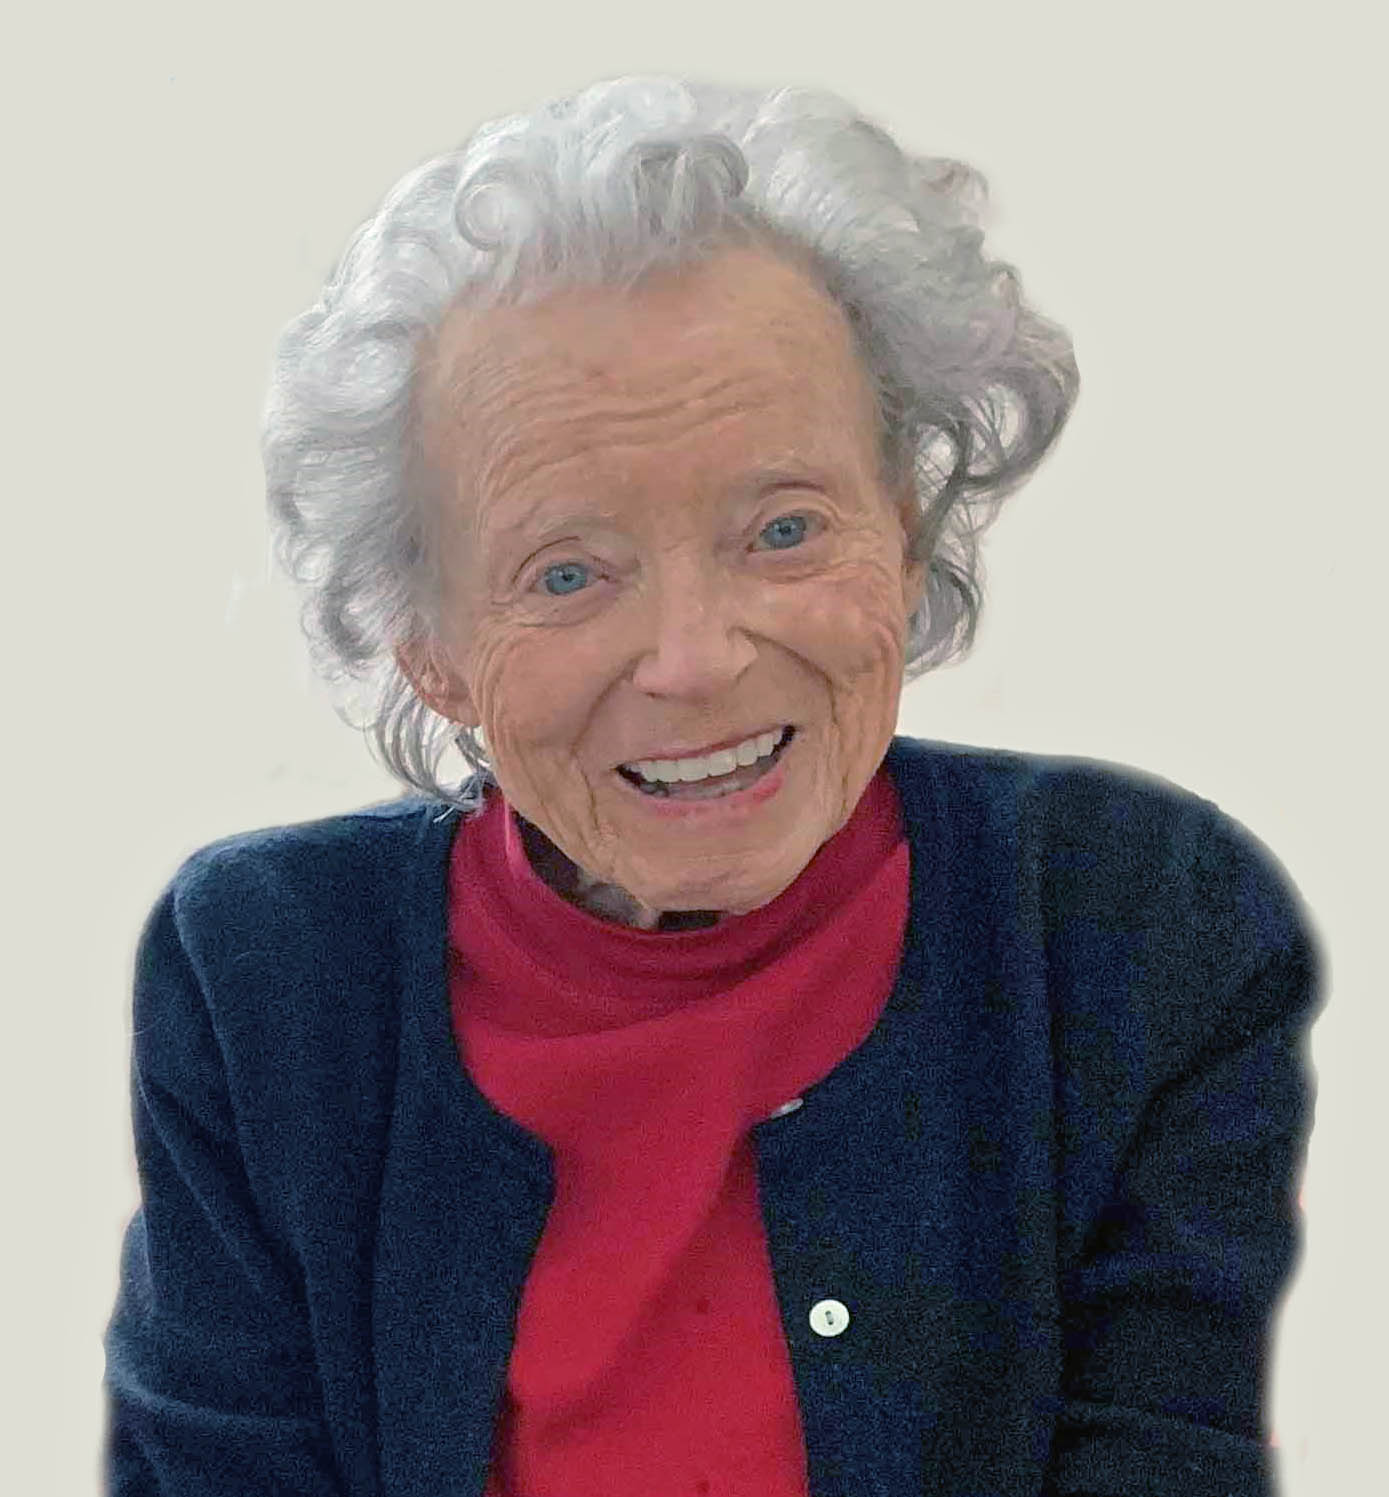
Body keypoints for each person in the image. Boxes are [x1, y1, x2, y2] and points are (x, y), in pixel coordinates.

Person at [102, 75, 1321, 1497]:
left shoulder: (1142, 926)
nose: (693, 660)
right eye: (568, 572)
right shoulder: (266, 973)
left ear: (905, 537)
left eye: (783, 529)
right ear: (431, 649)